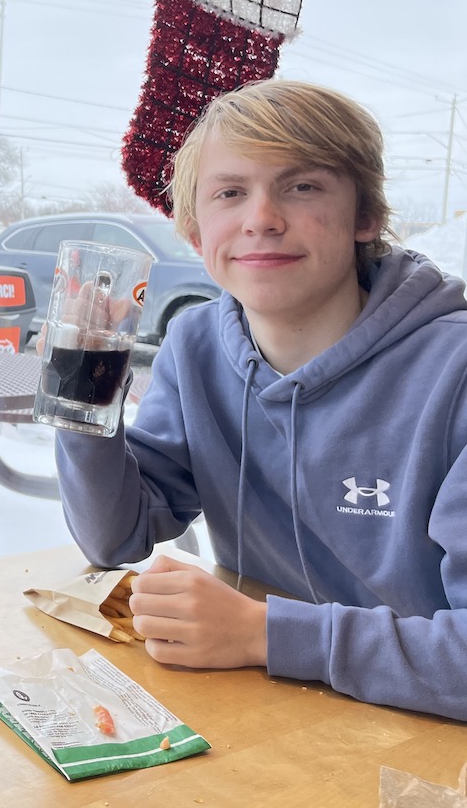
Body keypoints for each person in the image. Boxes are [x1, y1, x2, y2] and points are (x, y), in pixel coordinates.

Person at [55, 78, 467, 721]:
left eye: (303, 186)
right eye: (229, 192)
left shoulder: (455, 371)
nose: (262, 218)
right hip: (273, 710)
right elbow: (120, 538)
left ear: (367, 217)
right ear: (195, 232)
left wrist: (261, 633)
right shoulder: (195, 343)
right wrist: (85, 403)